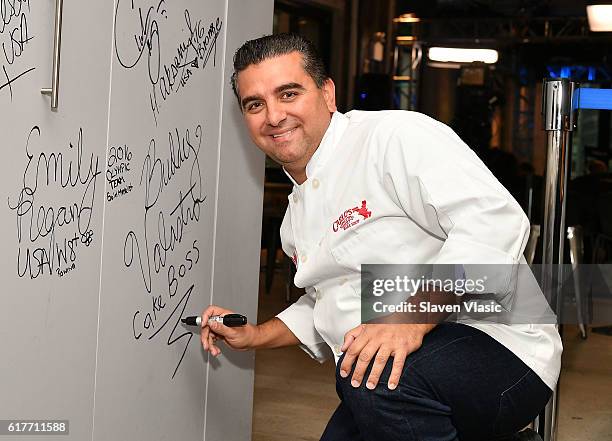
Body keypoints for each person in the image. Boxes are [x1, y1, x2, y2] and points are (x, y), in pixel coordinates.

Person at [200, 33, 562, 441]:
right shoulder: (295, 218)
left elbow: (495, 221)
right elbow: (332, 298)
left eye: (288, 93)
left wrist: (412, 315)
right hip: (401, 369)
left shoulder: (394, 137)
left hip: (500, 346)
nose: (273, 115)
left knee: (368, 381)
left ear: (327, 93)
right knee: (364, 385)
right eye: (255, 104)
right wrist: (256, 336)